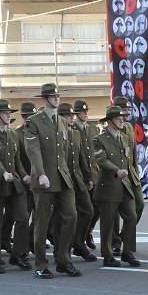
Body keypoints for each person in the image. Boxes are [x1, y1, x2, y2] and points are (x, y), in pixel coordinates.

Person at [24, 83, 80, 279]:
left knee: (71, 216)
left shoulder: (62, 122)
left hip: (62, 178)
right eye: (52, 96)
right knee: (42, 222)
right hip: (44, 178)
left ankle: (64, 260)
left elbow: (64, 153)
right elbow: (33, 150)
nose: (57, 99)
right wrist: (40, 173)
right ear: (44, 99)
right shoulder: (34, 122)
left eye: (57, 96)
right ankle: (41, 264)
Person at [0, 99, 31, 274]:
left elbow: (17, 161)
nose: (9, 115)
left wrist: (24, 175)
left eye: (10, 113)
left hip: (13, 183)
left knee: (23, 218)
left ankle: (18, 255)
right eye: (5, 113)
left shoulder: (12, 134)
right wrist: (3, 173)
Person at [93, 106, 140, 268]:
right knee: (108, 222)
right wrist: (116, 170)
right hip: (109, 185)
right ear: (110, 121)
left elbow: (129, 159)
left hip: (125, 185)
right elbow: (101, 159)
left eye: (123, 118)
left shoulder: (125, 137)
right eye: (119, 118)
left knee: (132, 216)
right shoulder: (99, 139)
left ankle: (127, 252)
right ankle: (107, 255)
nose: (122, 120)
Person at [57, 103, 97, 262]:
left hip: (77, 179)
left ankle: (78, 242)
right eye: (68, 115)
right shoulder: (56, 134)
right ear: (60, 117)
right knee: (65, 217)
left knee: (88, 211)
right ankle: (62, 251)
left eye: (72, 114)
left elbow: (81, 158)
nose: (72, 117)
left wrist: (88, 178)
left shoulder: (75, 134)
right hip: (62, 180)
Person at [72, 100, 98, 251]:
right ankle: (79, 238)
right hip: (80, 175)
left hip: (93, 174)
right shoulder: (73, 129)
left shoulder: (93, 129)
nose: (86, 114)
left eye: (86, 111)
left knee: (97, 208)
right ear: (76, 114)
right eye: (82, 112)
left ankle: (88, 232)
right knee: (83, 210)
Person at [14, 102, 39, 254]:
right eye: (29, 116)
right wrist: (25, 176)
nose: (31, 118)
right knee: (24, 216)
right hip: (25, 181)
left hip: (39, 180)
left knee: (40, 216)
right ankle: (21, 251)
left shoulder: (39, 132)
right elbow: (17, 160)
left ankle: (31, 242)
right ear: (23, 117)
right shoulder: (17, 134)